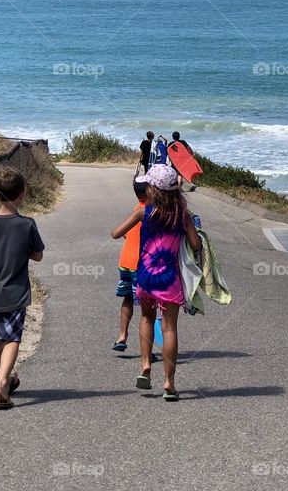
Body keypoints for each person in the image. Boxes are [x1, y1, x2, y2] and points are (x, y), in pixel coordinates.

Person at [110, 164, 201, 401]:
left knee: (146, 318)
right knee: (170, 328)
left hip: (146, 277)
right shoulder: (182, 215)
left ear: (154, 189)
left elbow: (116, 233)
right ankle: (169, 383)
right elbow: (196, 244)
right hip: (170, 279)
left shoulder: (144, 212)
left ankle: (145, 366)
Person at [0, 167, 45, 410]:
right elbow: (38, 256)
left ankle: (3, 380)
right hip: (17, 291)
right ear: (22, 194)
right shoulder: (26, 224)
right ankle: (3, 382)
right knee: (12, 337)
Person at [112, 180, 148, 353]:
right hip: (140, 264)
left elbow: (125, 234)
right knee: (148, 309)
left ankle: (122, 336)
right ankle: (147, 349)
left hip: (125, 261)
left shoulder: (135, 210)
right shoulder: (148, 213)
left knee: (127, 298)